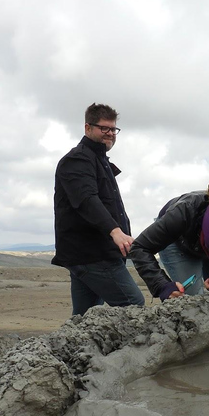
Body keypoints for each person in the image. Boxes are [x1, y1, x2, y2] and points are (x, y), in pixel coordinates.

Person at [51, 103, 145, 315]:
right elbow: (86, 200)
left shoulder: (99, 161)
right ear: (87, 128)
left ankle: (78, 348)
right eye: (104, 128)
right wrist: (115, 231)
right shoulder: (77, 160)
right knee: (133, 305)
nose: (110, 134)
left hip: (91, 254)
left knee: (85, 317)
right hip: (93, 254)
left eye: (113, 129)